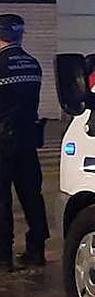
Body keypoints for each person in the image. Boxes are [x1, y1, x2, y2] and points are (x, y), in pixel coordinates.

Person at [0, 14, 50, 270]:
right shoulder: (32, 63)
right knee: (32, 196)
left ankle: (3, 257)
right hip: (28, 138)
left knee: (2, 201)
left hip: (2, 141)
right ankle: (36, 250)